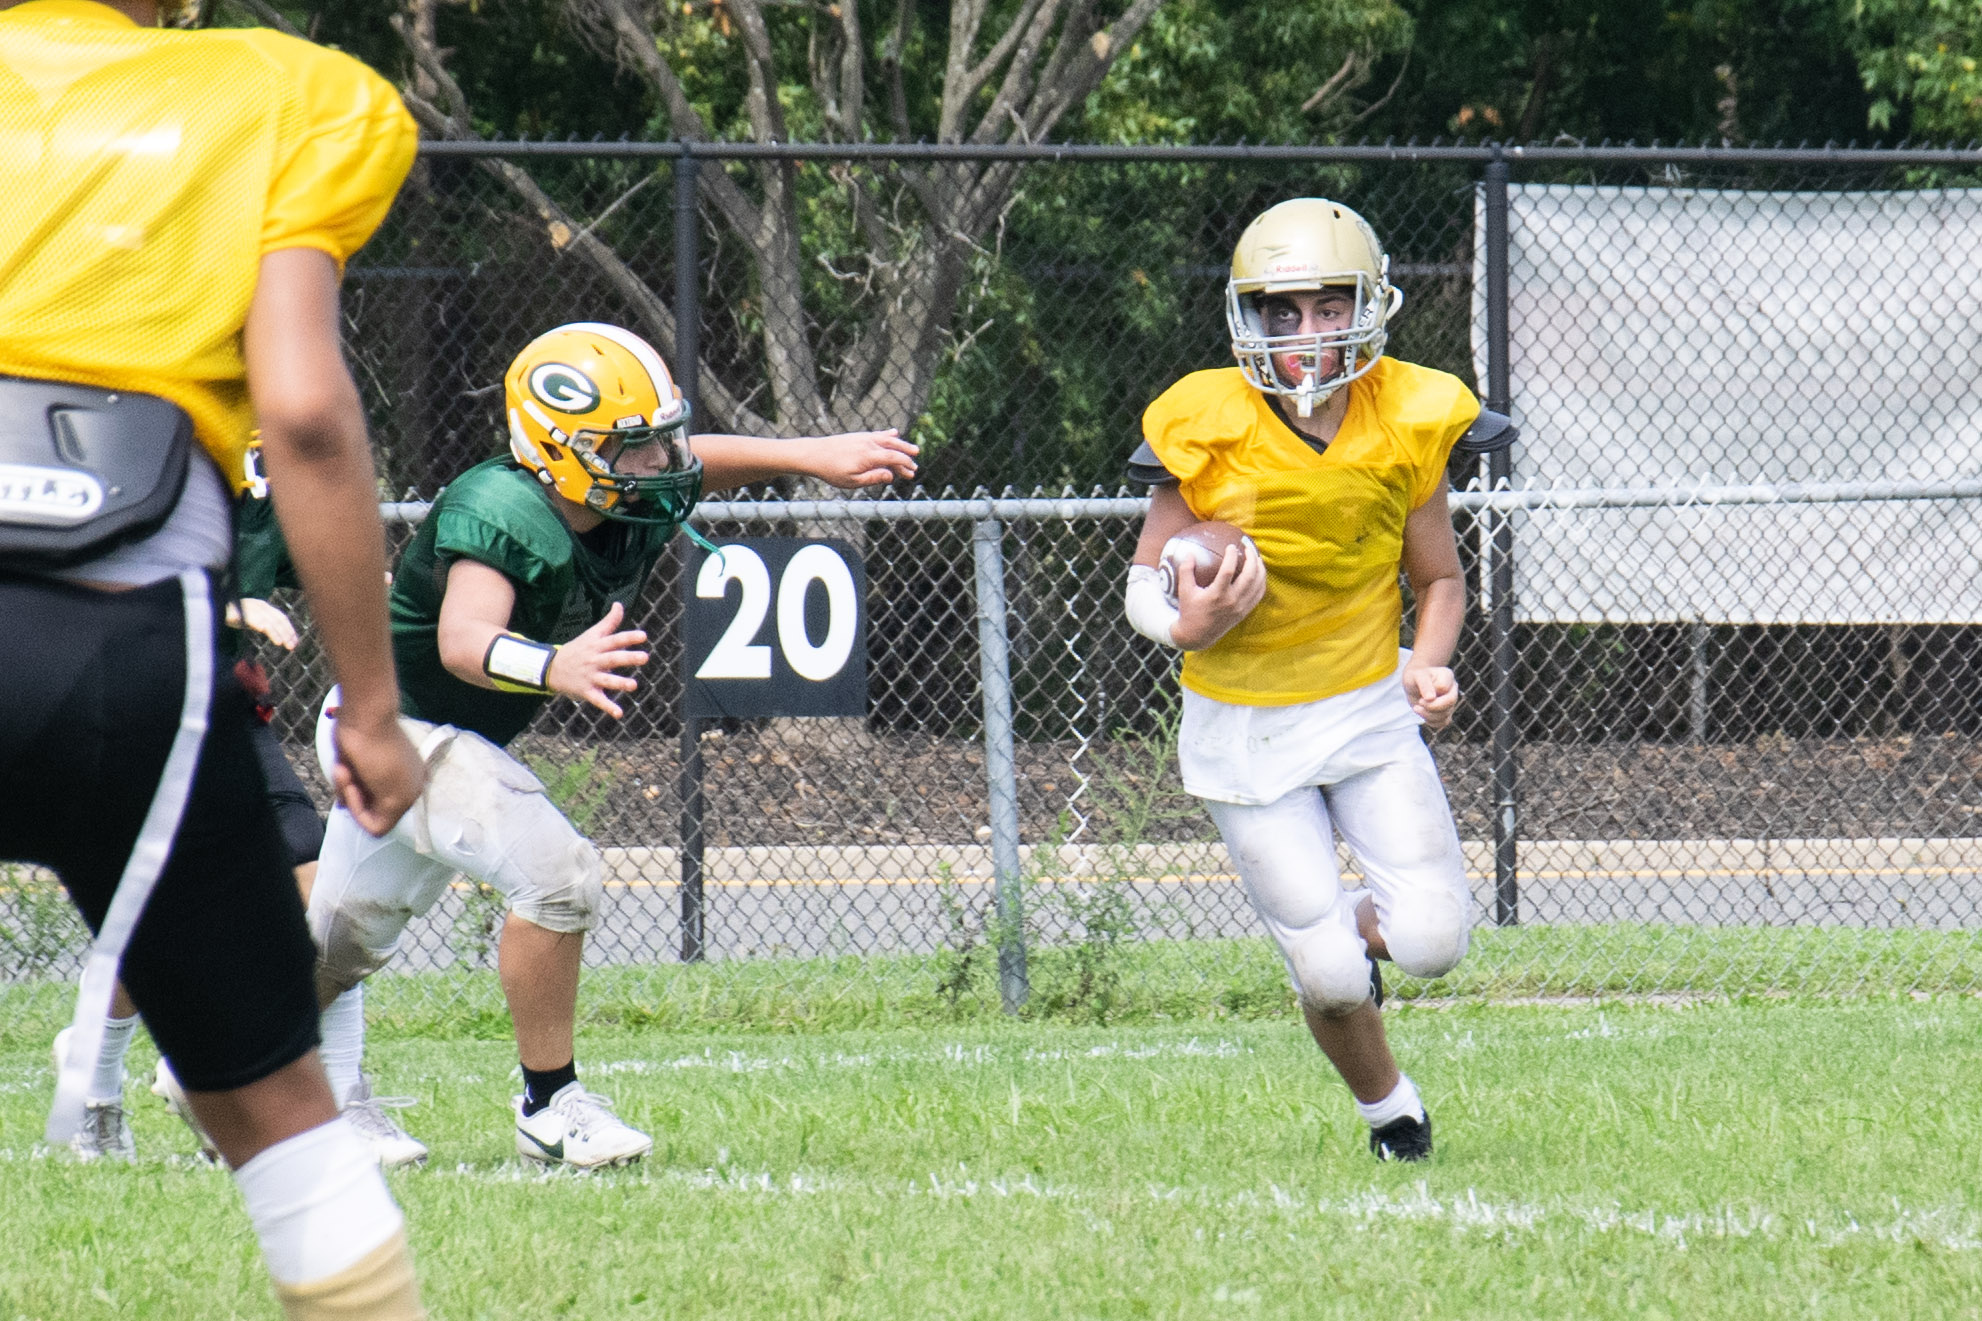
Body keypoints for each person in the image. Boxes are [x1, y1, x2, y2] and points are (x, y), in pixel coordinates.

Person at [0, 2, 431, 1317]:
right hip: (116, 630)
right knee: (286, 1124)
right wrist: (369, 702)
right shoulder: (288, 93)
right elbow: (301, 409)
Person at [308, 321, 919, 1169]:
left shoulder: (615, 495)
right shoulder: (506, 507)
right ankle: (551, 1106)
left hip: (444, 732)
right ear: (560, 448)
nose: (657, 465)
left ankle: (221, 1065)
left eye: (652, 443)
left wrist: (812, 455)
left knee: (334, 947)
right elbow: (461, 638)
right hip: (395, 726)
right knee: (556, 875)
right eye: (631, 451)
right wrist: (554, 663)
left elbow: (694, 450)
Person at [1121, 198, 1514, 1162]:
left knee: (1430, 941)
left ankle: (1342, 940)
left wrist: (1429, 665)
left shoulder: (1411, 413)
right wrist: (1187, 622)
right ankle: (1394, 1118)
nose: (1307, 333)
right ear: (1245, 318)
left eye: (1329, 306)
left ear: (1369, 304)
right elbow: (1143, 580)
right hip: (1243, 725)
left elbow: (1441, 578)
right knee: (1330, 973)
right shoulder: (1207, 418)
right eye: (1282, 311)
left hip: (1366, 705)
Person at [52, 444, 330, 1164]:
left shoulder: (264, 436)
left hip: (221, 698)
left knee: (310, 861)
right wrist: (231, 602)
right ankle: (97, 1085)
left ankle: (221, 1075)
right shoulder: (157, 426)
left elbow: (277, 543)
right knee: (152, 906)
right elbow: (97, 562)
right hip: (130, 686)